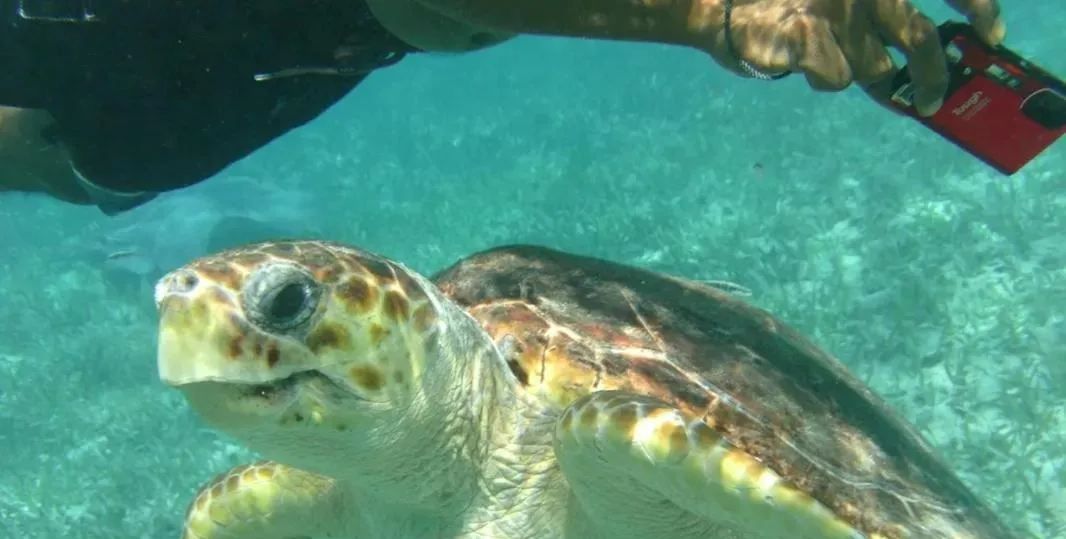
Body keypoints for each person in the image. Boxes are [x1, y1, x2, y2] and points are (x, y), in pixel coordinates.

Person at [0, 0, 1004, 214]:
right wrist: (711, 13)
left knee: (93, 175)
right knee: (62, 157)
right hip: (121, 57)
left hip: (282, 62)